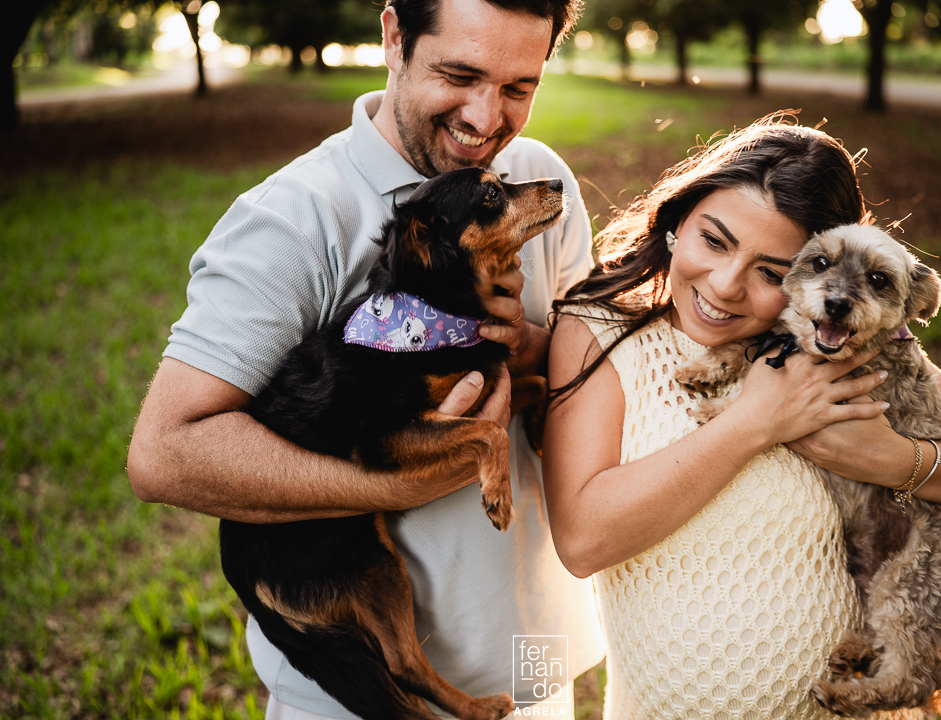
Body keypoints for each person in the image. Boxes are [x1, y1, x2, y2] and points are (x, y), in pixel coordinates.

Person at [126, 0, 606, 717]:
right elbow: (165, 454)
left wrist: (540, 349)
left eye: (518, 88)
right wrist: (394, 485)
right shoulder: (290, 219)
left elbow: (582, 409)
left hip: (533, 658)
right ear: (393, 37)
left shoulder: (536, 177)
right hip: (357, 691)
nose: (486, 119)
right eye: (460, 74)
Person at [541, 116, 941, 720]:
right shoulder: (601, 335)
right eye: (714, 240)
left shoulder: (844, 348)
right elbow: (583, 538)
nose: (725, 286)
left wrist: (885, 457)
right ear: (678, 221)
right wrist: (754, 421)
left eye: (772, 273)